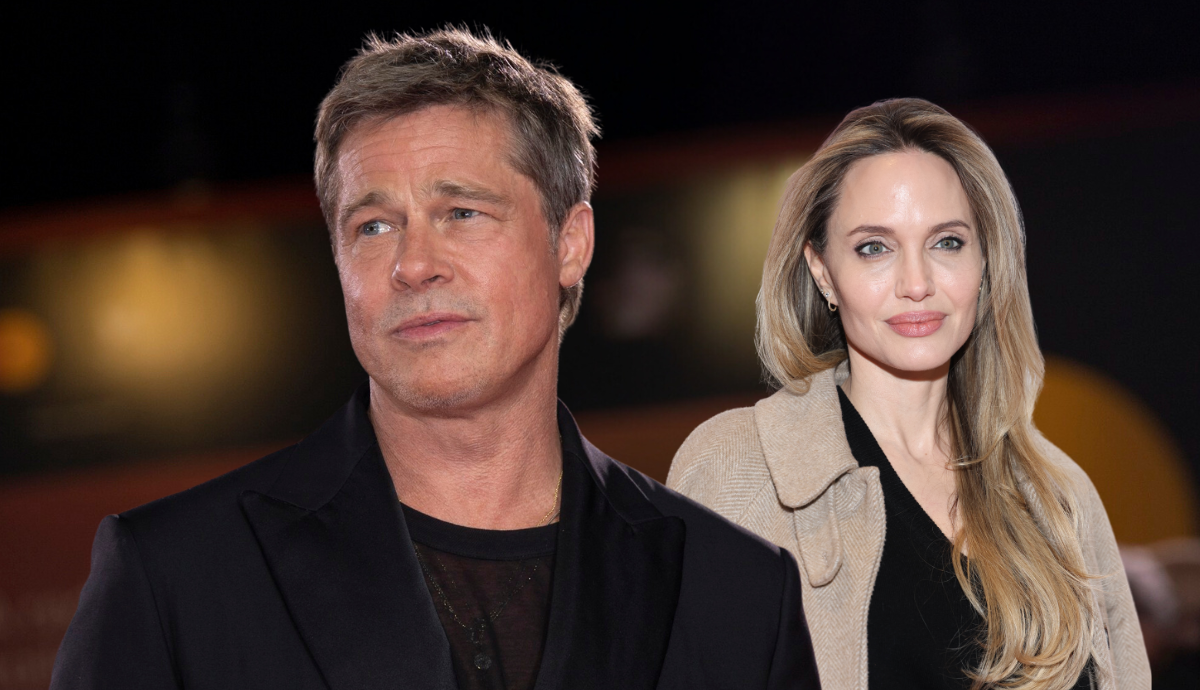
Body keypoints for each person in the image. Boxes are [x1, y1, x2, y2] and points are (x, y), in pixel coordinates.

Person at [51, 29, 820, 690]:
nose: (414, 265)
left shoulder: (735, 593)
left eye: (461, 212)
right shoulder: (175, 577)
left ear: (570, 243)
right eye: (374, 226)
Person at [667, 98, 1150, 690]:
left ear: (985, 261)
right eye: (875, 247)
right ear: (822, 272)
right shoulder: (738, 469)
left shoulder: (1058, 498)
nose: (917, 283)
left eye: (947, 242)